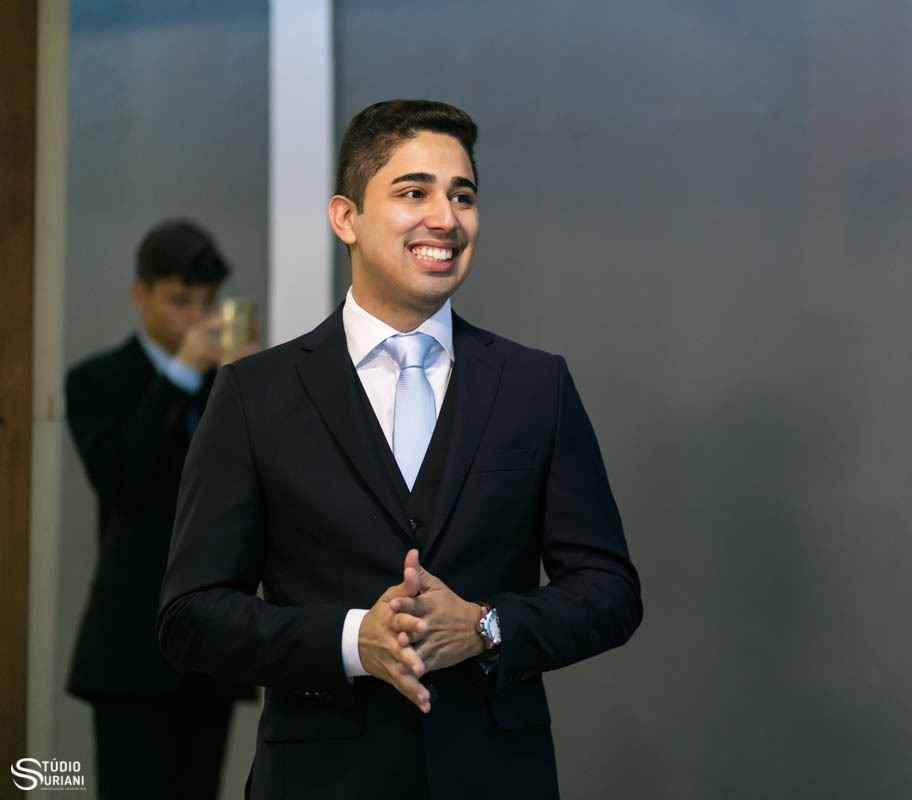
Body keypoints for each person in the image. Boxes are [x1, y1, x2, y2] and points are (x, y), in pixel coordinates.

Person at [157, 99, 642, 799]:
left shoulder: (539, 387)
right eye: (414, 192)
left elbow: (610, 593)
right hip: (321, 781)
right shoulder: (254, 394)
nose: (446, 218)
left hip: (497, 779)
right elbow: (191, 615)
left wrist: (485, 627)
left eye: (463, 196)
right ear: (346, 218)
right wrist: (356, 641)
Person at [65, 220, 256, 799]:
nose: (197, 319)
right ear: (139, 294)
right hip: (130, 647)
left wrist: (249, 385)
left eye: (206, 303)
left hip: (211, 644)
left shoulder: (226, 385)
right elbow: (120, 478)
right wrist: (177, 376)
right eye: (179, 301)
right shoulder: (98, 380)